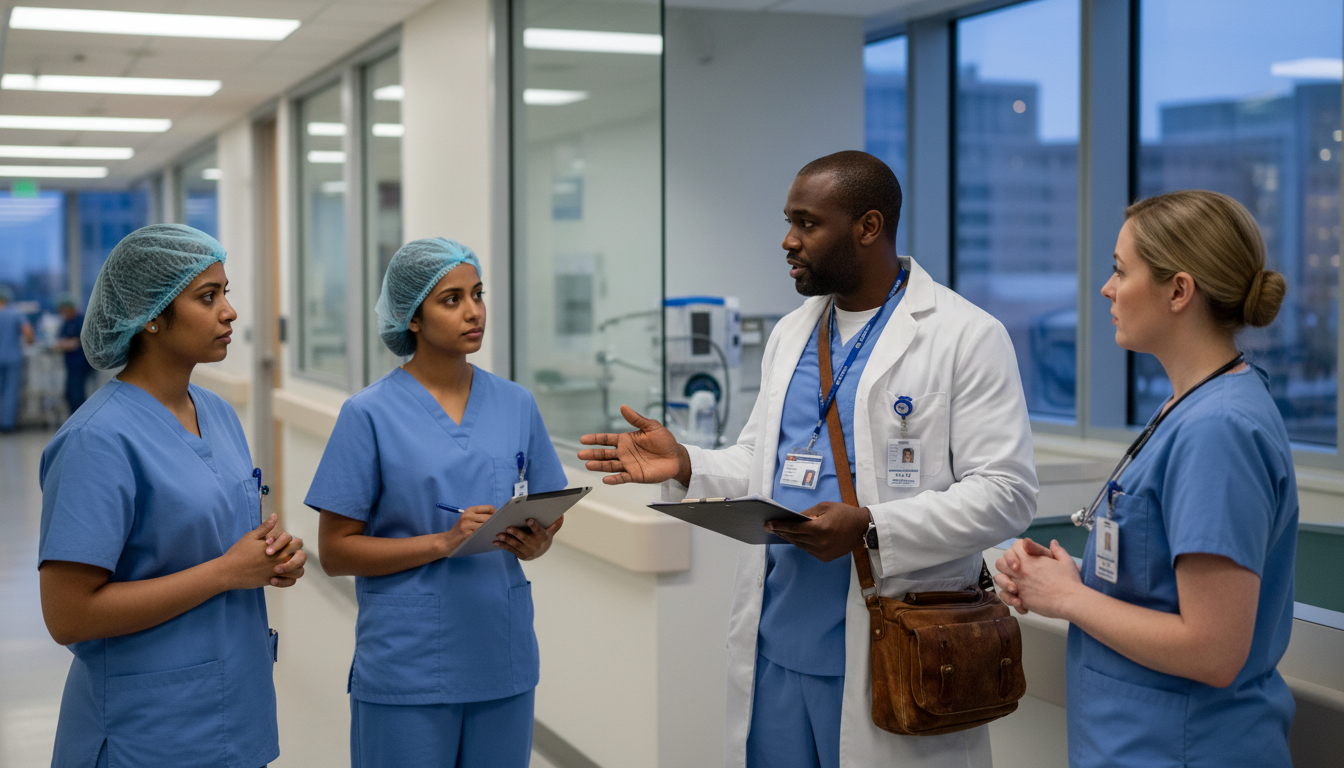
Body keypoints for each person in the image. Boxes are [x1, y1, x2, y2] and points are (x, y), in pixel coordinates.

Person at [579, 151, 1038, 768]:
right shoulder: (793, 333)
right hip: (777, 647)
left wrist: (872, 524)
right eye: (790, 222)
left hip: (893, 643)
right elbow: (762, 460)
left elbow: (1007, 493)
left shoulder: (965, 336)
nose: (789, 241)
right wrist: (687, 462)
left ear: (868, 226)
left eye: (807, 223)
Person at [994, 190, 1297, 767]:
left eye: (1119, 270)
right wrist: (1075, 578)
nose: (1106, 289)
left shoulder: (1220, 429)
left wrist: (1071, 600)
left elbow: (1213, 650)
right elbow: (1167, 588)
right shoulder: (1189, 406)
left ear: (1179, 291)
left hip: (1187, 749)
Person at [38, 224, 307, 768]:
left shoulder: (218, 414)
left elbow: (215, 540)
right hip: (148, 730)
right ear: (152, 314)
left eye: (226, 292)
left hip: (234, 706)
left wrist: (269, 558)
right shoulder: (98, 440)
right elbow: (68, 615)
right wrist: (228, 572)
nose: (229, 311)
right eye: (208, 297)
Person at [307, 237, 568, 768]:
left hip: (502, 657)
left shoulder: (516, 403)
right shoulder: (368, 415)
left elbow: (547, 508)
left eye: (477, 293)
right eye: (451, 299)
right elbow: (335, 553)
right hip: (410, 664)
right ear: (413, 319)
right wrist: (444, 542)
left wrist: (536, 539)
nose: (473, 311)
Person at [0, 285, 35, 432]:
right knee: (11, 392)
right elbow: (28, 332)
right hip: (13, 358)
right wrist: (29, 341)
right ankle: (7, 425)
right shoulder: (15, 313)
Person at [55, 293, 94, 417]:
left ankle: (81, 418)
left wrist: (70, 343)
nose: (63, 313)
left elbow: (84, 340)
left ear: (71, 308)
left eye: (64, 310)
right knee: (69, 394)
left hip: (81, 363)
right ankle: (74, 418)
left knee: (77, 395)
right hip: (71, 365)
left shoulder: (81, 320)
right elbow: (62, 338)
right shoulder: (67, 323)